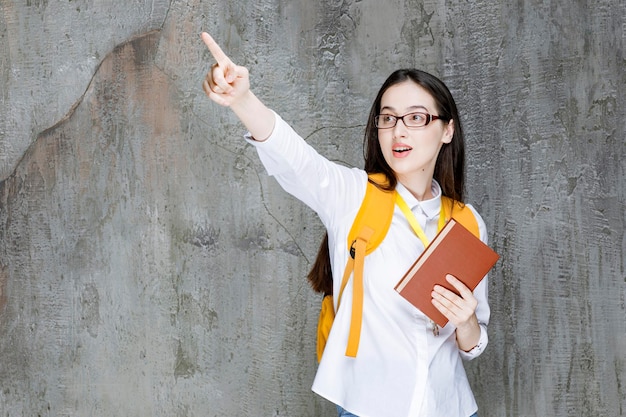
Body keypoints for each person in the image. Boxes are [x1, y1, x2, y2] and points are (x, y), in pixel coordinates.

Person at [201, 32, 489, 417]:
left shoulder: (467, 222)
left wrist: (467, 322)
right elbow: (297, 161)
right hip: (368, 407)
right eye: (388, 118)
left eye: (417, 118)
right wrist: (242, 100)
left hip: (450, 406)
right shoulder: (352, 194)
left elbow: (473, 343)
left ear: (447, 130)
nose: (399, 131)